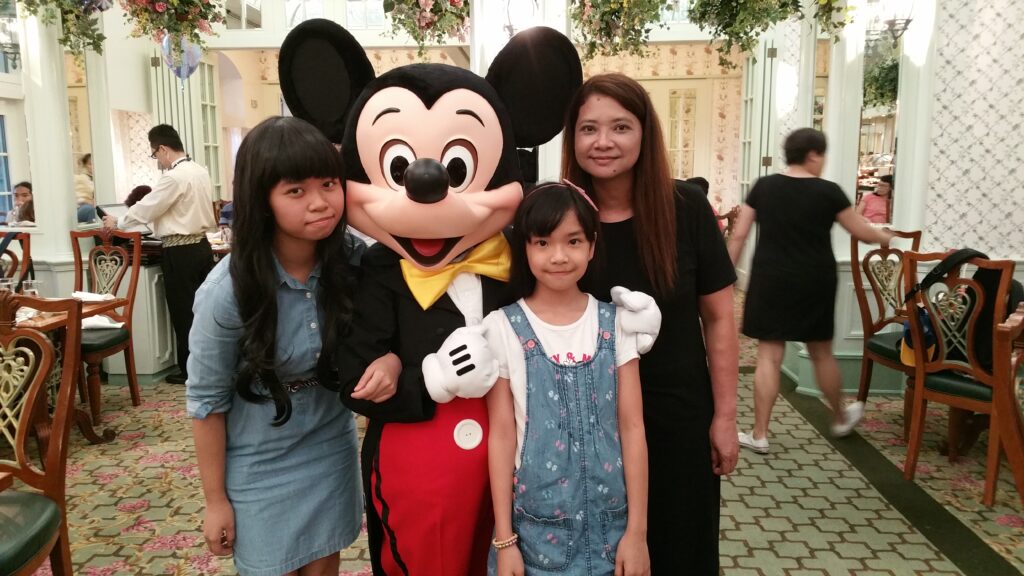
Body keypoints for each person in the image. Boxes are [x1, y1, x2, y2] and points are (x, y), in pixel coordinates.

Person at [564, 73, 739, 575]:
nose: (603, 142)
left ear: (645, 133)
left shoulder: (686, 209)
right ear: (573, 138)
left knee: (681, 550)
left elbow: (719, 318)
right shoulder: (561, 218)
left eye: (620, 127)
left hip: (677, 415)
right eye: (589, 128)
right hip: (588, 422)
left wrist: (725, 417)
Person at [187, 116, 366, 575]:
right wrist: (215, 500)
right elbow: (206, 402)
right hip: (259, 464)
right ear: (261, 200)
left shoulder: (351, 260)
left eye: (328, 184)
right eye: (295, 191)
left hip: (330, 448)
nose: (320, 202)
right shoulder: (227, 291)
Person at [484, 182, 651, 576]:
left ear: (592, 246)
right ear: (525, 248)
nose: (558, 256)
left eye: (573, 241)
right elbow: (502, 436)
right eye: (543, 243)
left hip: (615, 534)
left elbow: (632, 427)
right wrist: (505, 540)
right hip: (534, 540)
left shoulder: (616, 323)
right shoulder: (501, 328)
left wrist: (638, 534)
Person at [727, 127, 895, 454]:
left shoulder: (764, 186)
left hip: (771, 278)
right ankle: (840, 418)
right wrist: (885, 236)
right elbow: (861, 231)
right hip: (815, 279)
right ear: (813, 155)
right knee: (821, 353)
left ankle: (759, 434)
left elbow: (739, 235)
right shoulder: (829, 192)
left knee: (768, 355)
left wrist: (724, 276)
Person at [103, 124, 216, 385]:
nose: (157, 161)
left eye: (155, 155)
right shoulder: (199, 171)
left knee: (183, 311)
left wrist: (118, 221)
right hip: (201, 247)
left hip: (179, 251)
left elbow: (148, 208)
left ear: (163, 149)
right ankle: (208, 366)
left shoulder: (174, 177)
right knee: (202, 311)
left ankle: (190, 371)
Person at [74, 153, 98, 223]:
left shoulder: (97, 180)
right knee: (90, 210)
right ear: (85, 165)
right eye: (90, 164)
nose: (93, 166)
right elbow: (75, 198)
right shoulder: (79, 178)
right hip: (82, 207)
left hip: (93, 206)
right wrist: (87, 201)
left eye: (94, 163)